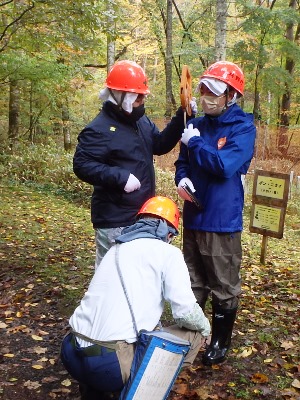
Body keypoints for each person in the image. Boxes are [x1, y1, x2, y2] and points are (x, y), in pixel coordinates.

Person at [60, 196, 211, 399]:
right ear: (168, 233)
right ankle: (145, 392)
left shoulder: (115, 249)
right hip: (108, 364)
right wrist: (206, 328)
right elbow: (185, 313)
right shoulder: (168, 253)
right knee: (195, 335)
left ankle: (93, 391)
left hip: (71, 351)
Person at [73, 60, 196, 267]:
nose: (141, 101)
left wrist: (181, 115)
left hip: (141, 213)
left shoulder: (140, 120)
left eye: (142, 96)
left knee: (135, 274)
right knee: (112, 275)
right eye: (137, 97)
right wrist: (120, 177)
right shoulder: (99, 129)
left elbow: (159, 144)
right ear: (121, 97)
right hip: (114, 217)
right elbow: (82, 165)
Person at [175, 61, 256, 366]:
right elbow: (183, 161)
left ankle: (220, 341)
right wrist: (181, 177)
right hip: (193, 215)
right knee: (192, 280)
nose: (207, 96)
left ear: (231, 96)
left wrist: (194, 142)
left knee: (223, 284)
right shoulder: (197, 122)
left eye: (215, 91)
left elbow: (224, 166)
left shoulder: (243, 128)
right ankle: (190, 334)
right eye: (204, 89)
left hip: (222, 220)